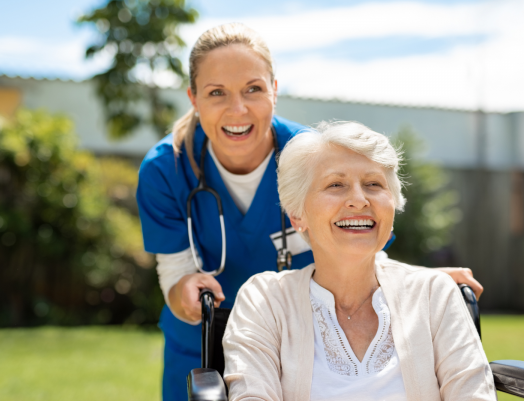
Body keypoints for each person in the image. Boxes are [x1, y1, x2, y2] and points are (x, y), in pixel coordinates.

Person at [136, 23, 484, 400]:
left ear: (274, 91)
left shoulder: (313, 159)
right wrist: (184, 292)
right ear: (194, 98)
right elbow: (174, 272)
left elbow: (360, 237)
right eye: (216, 93)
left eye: (253, 89)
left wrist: (420, 288)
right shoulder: (164, 171)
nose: (238, 109)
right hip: (202, 341)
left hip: (301, 336)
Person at [222, 121, 495, 401]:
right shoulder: (264, 300)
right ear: (297, 215)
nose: (359, 199)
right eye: (336, 184)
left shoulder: (433, 293)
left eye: (373, 184)